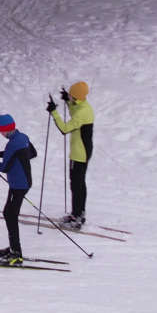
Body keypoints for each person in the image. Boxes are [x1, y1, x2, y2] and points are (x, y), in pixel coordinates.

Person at [0, 114, 36, 265]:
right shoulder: (22, 137)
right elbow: (32, 153)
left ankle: (16, 254)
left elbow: (4, 167)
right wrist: (8, 155)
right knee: (8, 213)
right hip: (24, 182)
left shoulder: (12, 144)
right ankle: (13, 249)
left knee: (10, 215)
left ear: (2, 129)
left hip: (18, 185)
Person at [46, 80, 95, 230]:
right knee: (79, 183)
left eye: (72, 95)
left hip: (79, 154)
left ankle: (77, 218)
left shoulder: (82, 113)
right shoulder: (84, 106)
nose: (70, 97)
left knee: (76, 184)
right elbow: (76, 112)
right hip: (84, 151)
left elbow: (65, 128)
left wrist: (54, 112)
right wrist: (69, 101)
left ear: (77, 97)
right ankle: (78, 213)